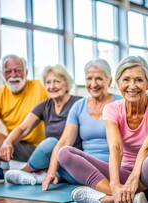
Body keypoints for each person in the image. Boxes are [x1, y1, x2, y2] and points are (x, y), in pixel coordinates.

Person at [60, 56, 148, 203]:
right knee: (65, 153)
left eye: (139, 80)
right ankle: (117, 196)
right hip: (125, 175)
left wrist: (134, 179)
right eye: (126, 79)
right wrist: (115, 185)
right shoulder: (112, 108)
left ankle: (111, 197)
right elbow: (116, 147)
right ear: (118, 83)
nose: (132, 86)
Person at [41, 59, 122, 190]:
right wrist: (51, 172)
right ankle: (103, 189)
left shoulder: (120, 103)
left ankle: (108, 191)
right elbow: (64, 142)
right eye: (89, 78)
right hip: (86, 166)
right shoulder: (78, 107)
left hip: (114, 167)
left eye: (99, 79)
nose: (93, 84)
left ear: (109, 80)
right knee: (63, 153)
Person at [0, 64, 83, 185]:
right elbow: (23, 128)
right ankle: (41, 174)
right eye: (48, 82)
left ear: (66, 83)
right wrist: (8, 141)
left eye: (57, 81)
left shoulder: (78, 103)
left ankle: (26, 171)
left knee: (52, 143)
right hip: (54, 163)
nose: (52, 86)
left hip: (72, 162)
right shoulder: (45, 105)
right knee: (50, 144)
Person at [0, 54, 48, 186]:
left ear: (26, 72)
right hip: (12, 146)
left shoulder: (40, 87)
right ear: (2, 74)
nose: (13, 75)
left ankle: (24, 167)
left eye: (17, 70)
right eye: (8, 71)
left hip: (39, 148)